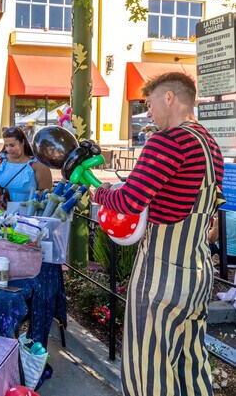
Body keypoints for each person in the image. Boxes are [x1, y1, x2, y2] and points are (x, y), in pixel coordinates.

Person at [93, 72, 225, 396]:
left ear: (169, 98)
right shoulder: (210, 144)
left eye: (150, 104)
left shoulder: (169, 141)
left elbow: (129, 200)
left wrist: (101, 194)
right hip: (198, 271)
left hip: (161, 275)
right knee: (191, 367)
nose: (148, 113)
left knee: (146, 374)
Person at [0, 126, 52, 203]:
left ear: (22, 142)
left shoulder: (37, 164)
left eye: (12, 145)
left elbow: (46, 192)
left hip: (25, 212)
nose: (9, 149)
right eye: (6, 145)